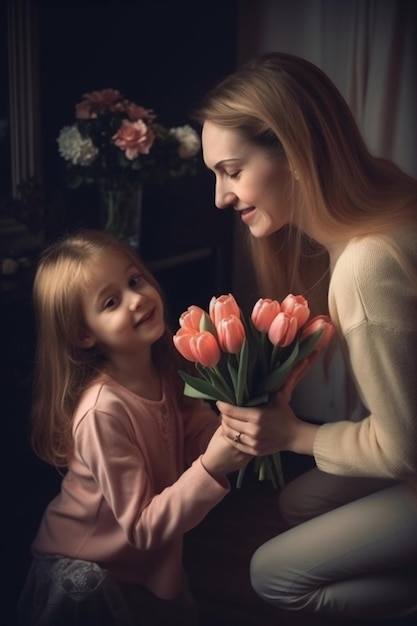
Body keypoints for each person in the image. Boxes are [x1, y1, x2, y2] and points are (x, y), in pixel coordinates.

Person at [195, 51, 417, 620]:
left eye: (232, 171)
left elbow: (403, 449)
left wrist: (291, 435)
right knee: (300, 501)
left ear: (294, 153)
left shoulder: (367, 267)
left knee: (273, 575)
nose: (220, 198)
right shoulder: (391, 195)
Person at [17, 229, 250, 626]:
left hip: (144, 561)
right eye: (112, 301)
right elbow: (141, 526)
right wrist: (212, 466)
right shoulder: (101, 413)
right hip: (91, 566)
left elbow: (198, 429)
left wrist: (242, 422)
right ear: (83, 334)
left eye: (134, 280)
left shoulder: (164, 367)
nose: (137, 298)